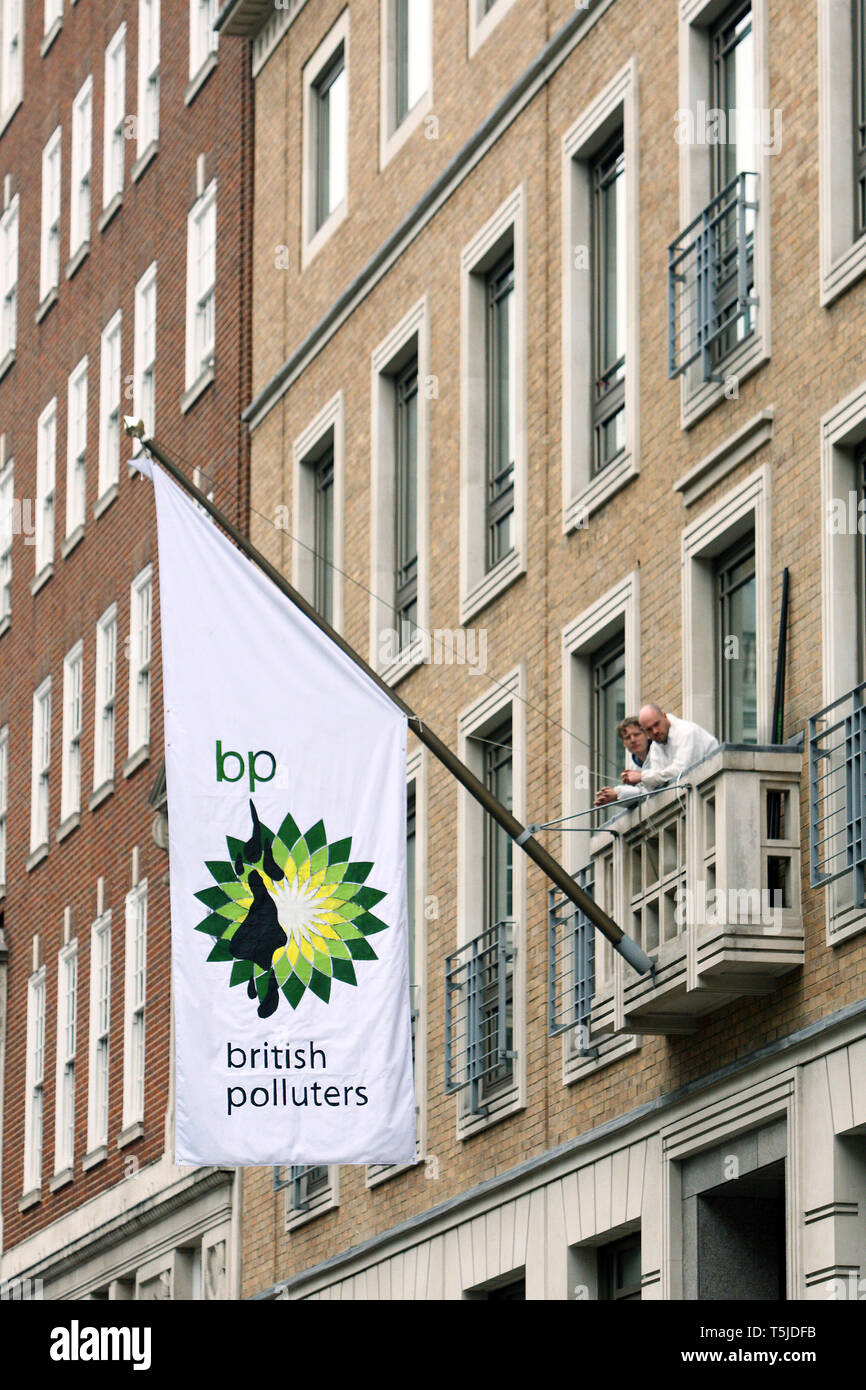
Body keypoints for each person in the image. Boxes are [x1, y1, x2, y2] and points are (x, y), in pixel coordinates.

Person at [620, 703, 719, 793]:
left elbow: (680, 771)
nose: (655, 731)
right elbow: (655, 785)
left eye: (656, 724)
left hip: (714, 788)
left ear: (664, 716)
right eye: (649, 729)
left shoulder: (686, 732)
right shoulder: (655, 746)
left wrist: (642, 776)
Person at [594, 717, 652, 806]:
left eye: (636, 734)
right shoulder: (633, 766)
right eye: (627, 737)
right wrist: (612, 798)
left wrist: (618, 794)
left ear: (647, 735)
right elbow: (640, 799)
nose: (633, 740)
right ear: (624, 743)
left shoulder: (660, 752)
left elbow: (656, 790)